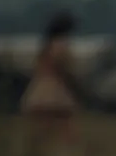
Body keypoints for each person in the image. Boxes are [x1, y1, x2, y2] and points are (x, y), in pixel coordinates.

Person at [20, 10, 81, 144]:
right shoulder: (61, 47)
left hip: (39, 89)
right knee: (66, 133)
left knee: (41, 132)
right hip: (56, 92)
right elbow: (65, 69)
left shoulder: (44, 47)